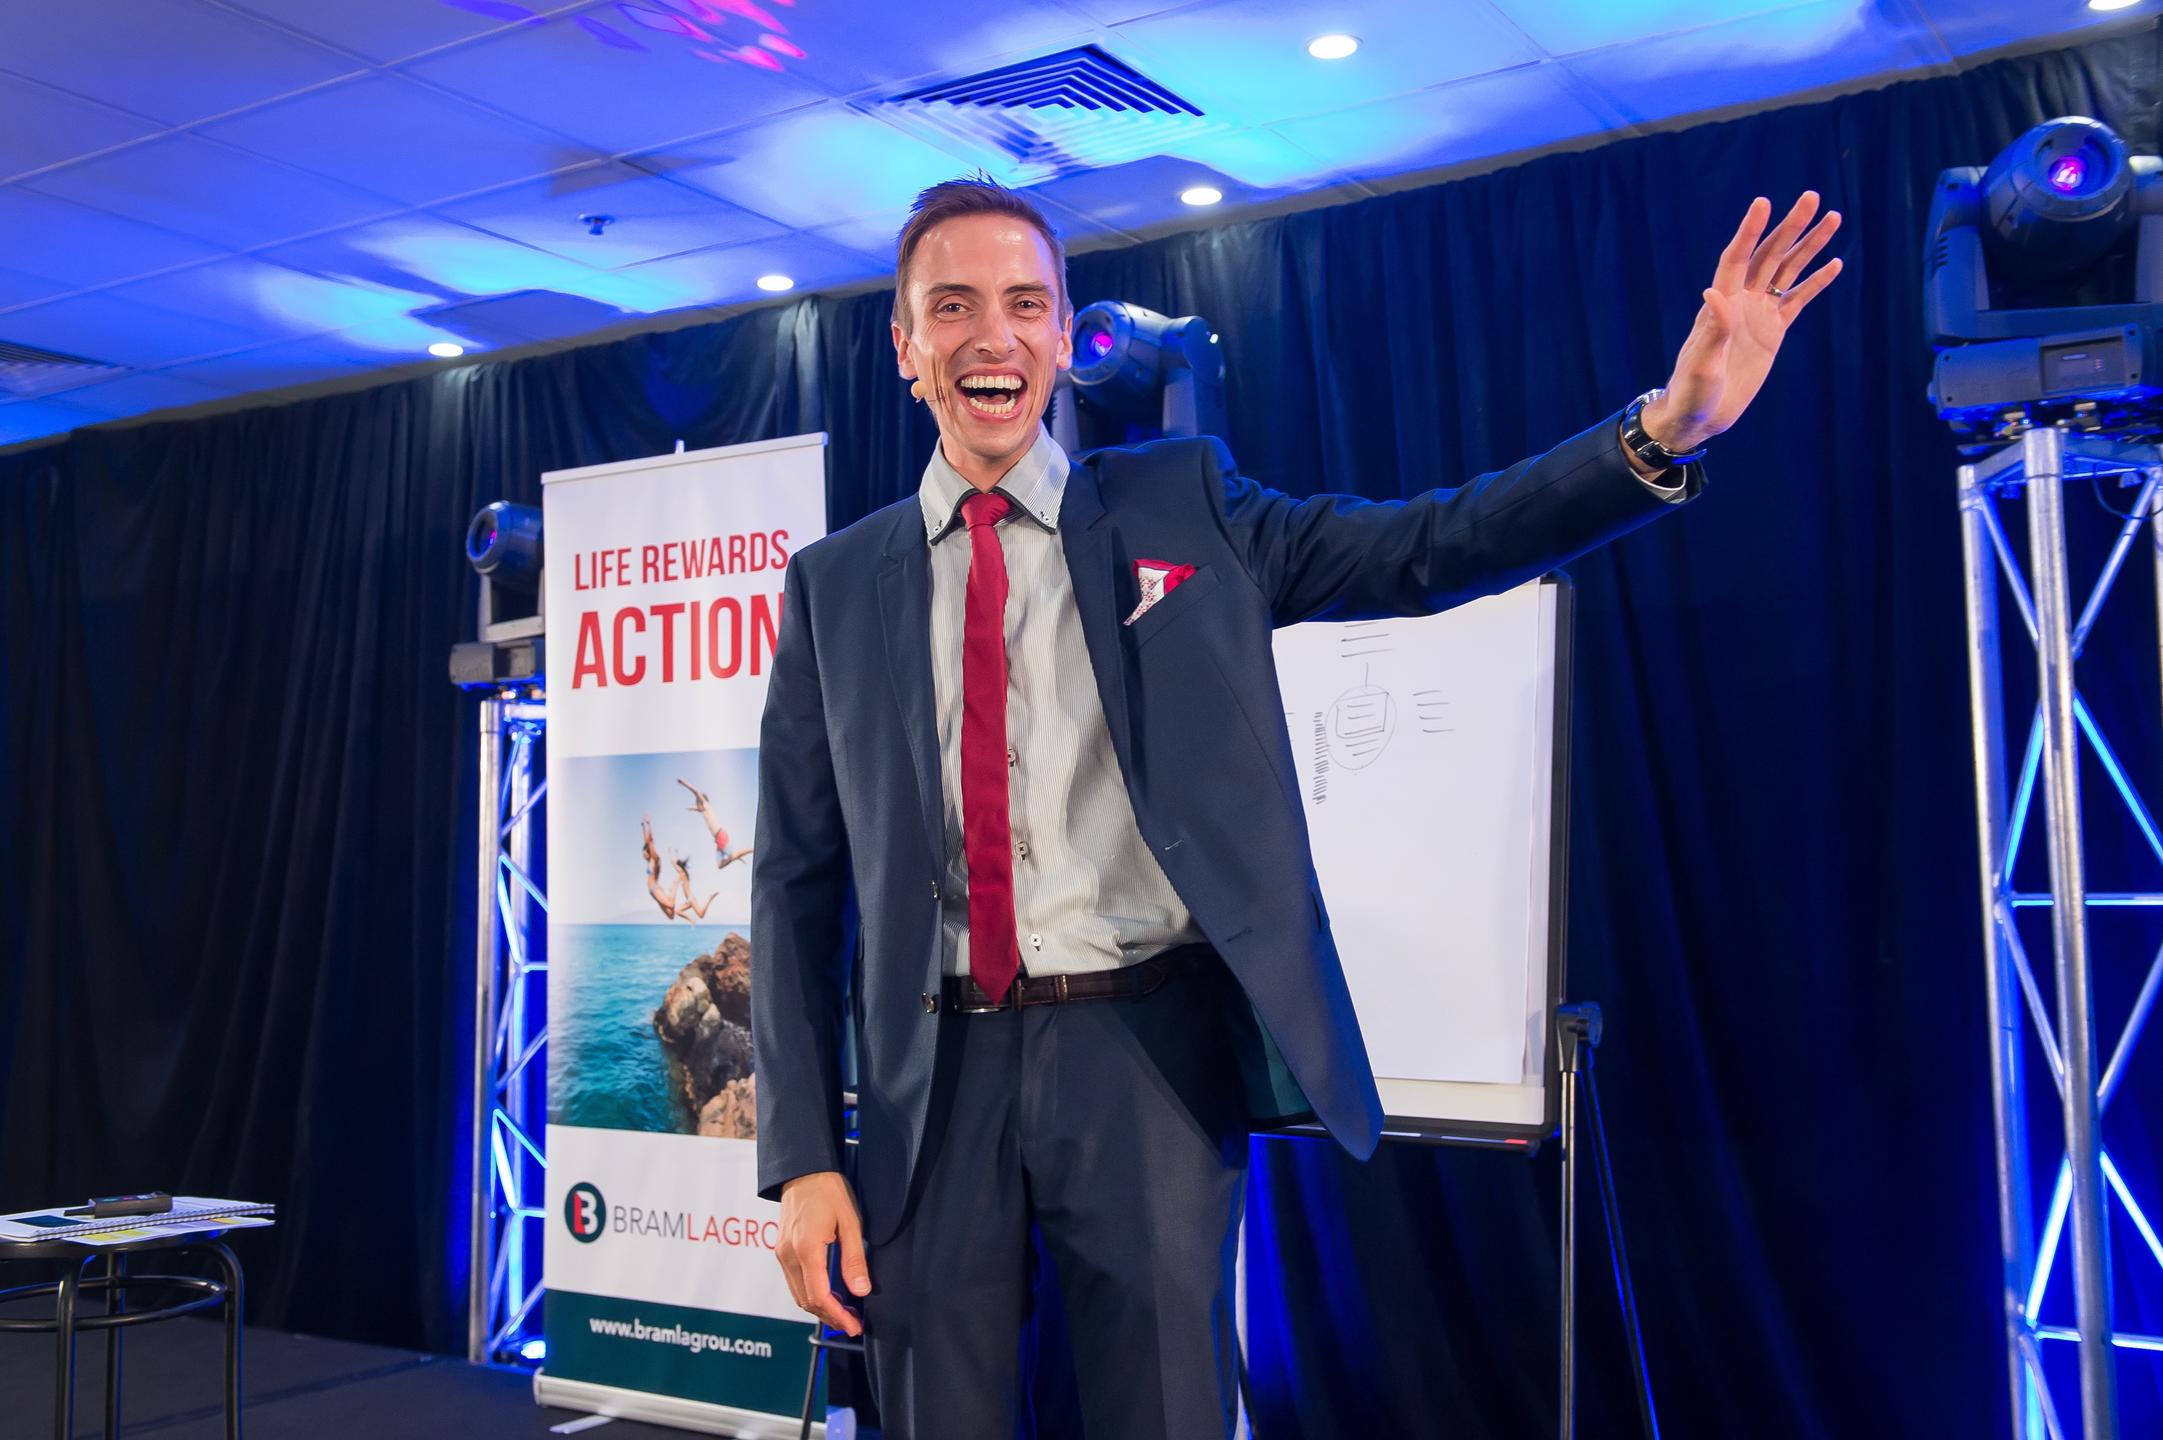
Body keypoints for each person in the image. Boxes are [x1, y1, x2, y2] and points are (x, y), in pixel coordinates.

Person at [751, 176, 1841, 1439]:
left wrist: (1659, 433)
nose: (991, 335)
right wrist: (804, 1158)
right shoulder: (833, 587)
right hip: (928, 1080)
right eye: (952, 307)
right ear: (905, 347)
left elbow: (1431, 545)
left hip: (1145, 1057)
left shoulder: (1183, 504)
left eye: (1024, 304)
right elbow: (794, 888)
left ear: (1057, 334)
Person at [678, 777, 753, 870]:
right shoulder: (703, 810)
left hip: (720, 835)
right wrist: (691, 808)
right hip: (717, 839)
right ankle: (735, 857)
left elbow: (696, 792)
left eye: (697, 804)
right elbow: (698, 809)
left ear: (701, 802)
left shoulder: (706, 806)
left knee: (733, 855)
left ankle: (752, 849)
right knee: (719, 865)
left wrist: (684, 783)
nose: (697, 807)